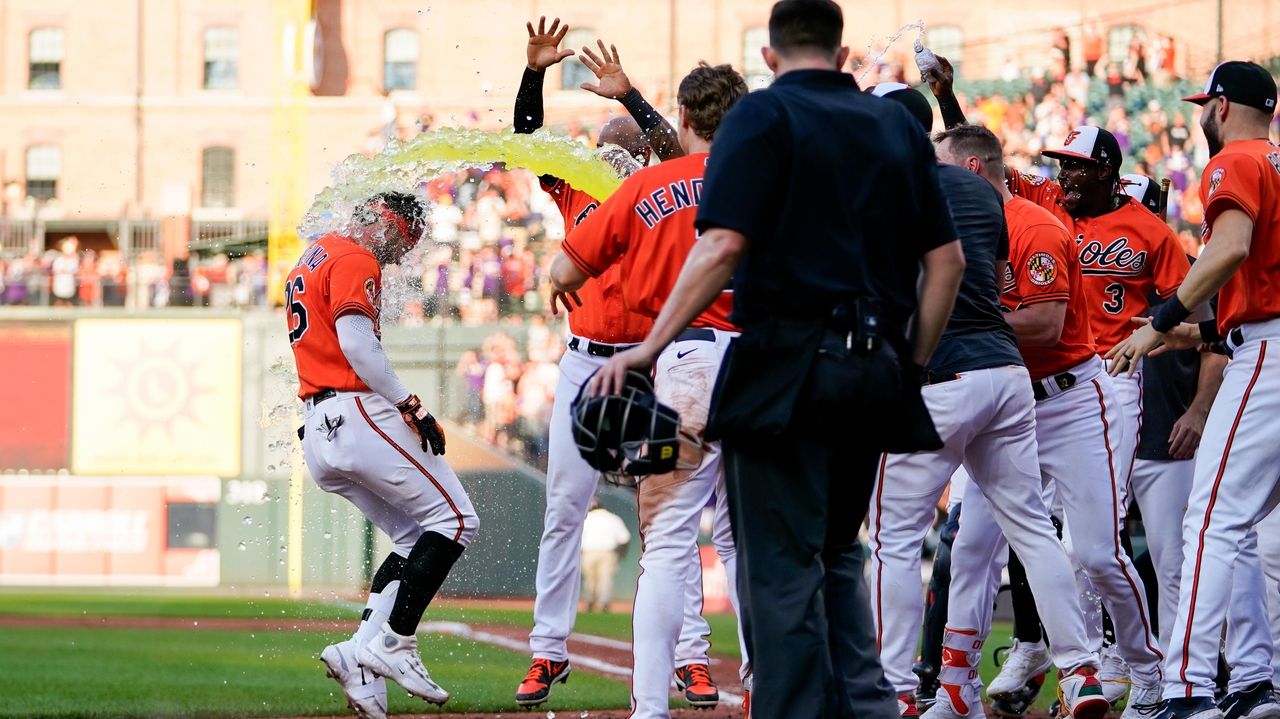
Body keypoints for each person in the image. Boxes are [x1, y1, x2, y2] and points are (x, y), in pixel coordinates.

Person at [590, 2, 966, 715]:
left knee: (780, 573)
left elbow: (723, 245)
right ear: (841, 50)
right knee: (836, 558)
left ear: (769, 57)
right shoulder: (894, 125)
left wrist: (650, 343)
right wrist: (906, 367)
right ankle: (869, 707)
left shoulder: (760, 119)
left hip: (788, 367)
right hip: (875, 369)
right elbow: (945, 264)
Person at [928, 59, 1175, 708]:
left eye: (1076, 166)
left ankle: (1145, 671)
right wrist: (948, 95)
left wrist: (1157, 329)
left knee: (1095, 549)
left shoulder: (1133, 227)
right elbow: (976, 157)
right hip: (1011, 396)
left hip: (1081, 391)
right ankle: (983, 679)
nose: (1063, 174)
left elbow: (1188, 309)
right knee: (973, 542)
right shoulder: (1033, 199)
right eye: (1059, 164)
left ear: (1106, 174)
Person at [867, 111, 1108, 719]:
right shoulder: (980, 192)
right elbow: (993, 280)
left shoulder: (895, 187)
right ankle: (1080, 672)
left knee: (894, 539)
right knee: (1028, 528)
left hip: (945, 373)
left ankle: (893, 689)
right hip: (1007, 376)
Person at [510, 17, 720, 709]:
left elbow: (679, 150)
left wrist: (630, 99)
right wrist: (536, 71)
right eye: (608, 150)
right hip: (587, 360)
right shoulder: (578, 189)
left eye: (625, 150)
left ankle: (690, 655)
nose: (615, 158)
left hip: (655, 363)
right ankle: (548, 649)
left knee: (669, 518)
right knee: (565, 506)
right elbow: (528, 142)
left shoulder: (665, 188)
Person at [550, 61, 752, 719]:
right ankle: (771, 688)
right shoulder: (768, 180)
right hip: (765, 363)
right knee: (755, 541)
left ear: (685, 119)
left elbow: (563, 266)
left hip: (686, 362)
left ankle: (649, 707)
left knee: (667, 543)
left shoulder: (647, 186)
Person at [1107, 60, 1280, 719]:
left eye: (1207, 104)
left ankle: (1186, 687)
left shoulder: (1235, 159)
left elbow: (1231, 246)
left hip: (1264, 347)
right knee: (1253, 525)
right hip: (1268, 343)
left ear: (1225, 106)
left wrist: (1160, 321)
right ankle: (1258, 678)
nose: (1201, 114)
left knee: (1210, 519)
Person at [289, 192, 480, 719]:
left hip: (319, 425)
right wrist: (410, 404)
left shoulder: (316, 254)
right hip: (355, 409)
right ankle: (395, 639)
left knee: (413, 535)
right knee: (458, 519)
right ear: (382, 220)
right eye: (400, 240)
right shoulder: (354, 255)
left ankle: (360, 660)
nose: (397, 255)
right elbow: (356, 344)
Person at [579, 498, 630, 613]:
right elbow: (625, 538)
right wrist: (622, 554)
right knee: (605, 578)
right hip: (608, 552)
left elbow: (577, 539)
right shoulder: (612, 518)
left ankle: (590, 602)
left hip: (588, 552)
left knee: (589, 579)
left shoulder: (586, 519)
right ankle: (603, 604)